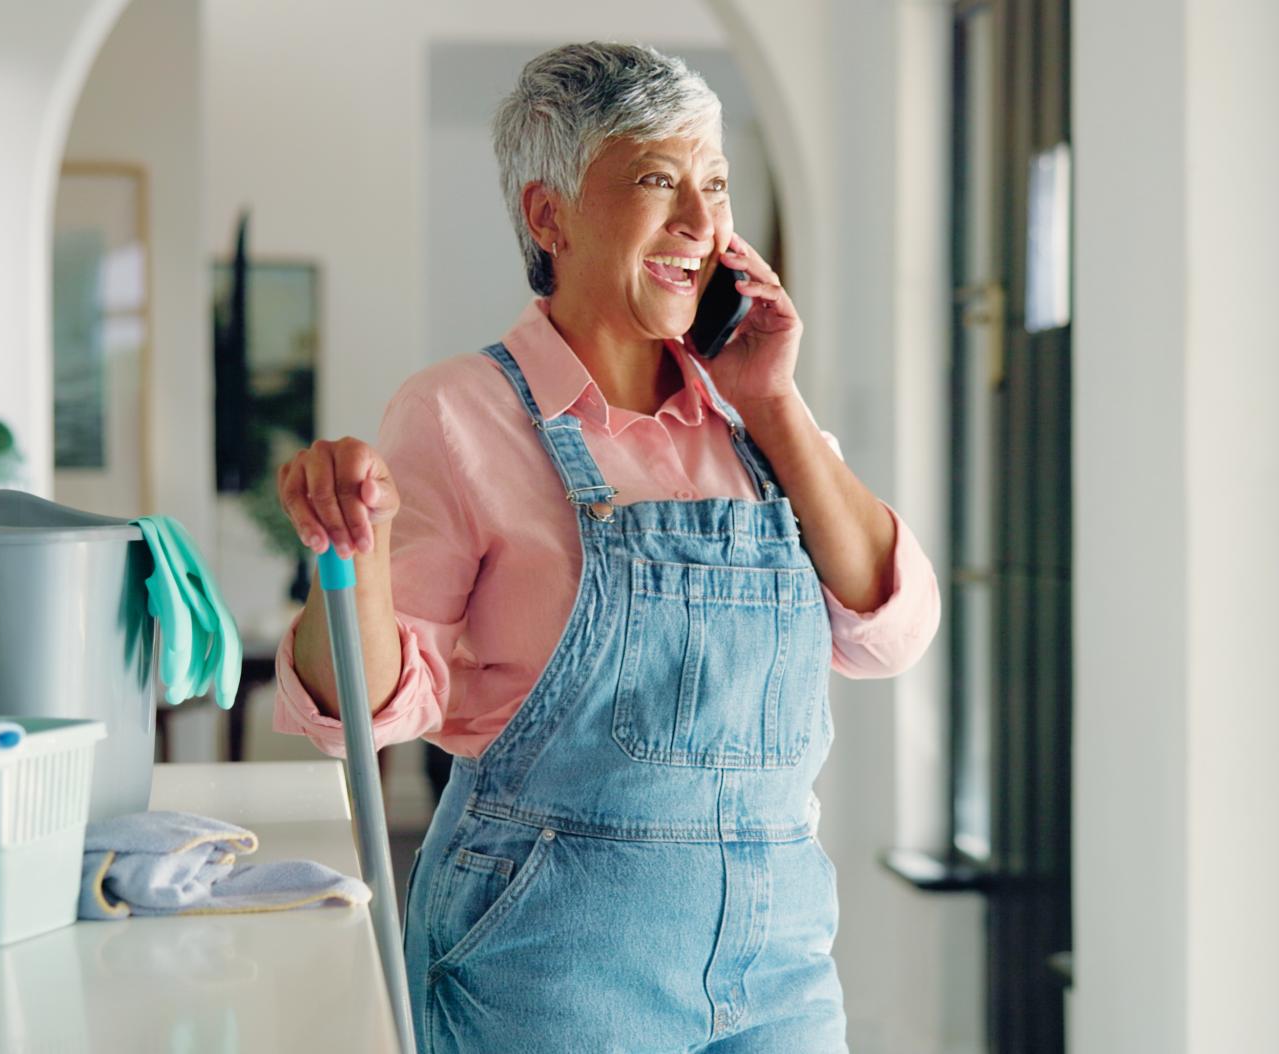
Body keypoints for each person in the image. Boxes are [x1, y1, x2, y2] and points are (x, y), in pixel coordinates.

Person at [271, 41, 940, 1052]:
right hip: (550, 964)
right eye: (656, 180)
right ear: (548, 215)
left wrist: (772, 400)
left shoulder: (753, 416)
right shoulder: (460, 414)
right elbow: (365, 710)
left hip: (781, 966)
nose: (698, 223)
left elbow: (889, 631)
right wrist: (349, 556)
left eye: (713, 184)